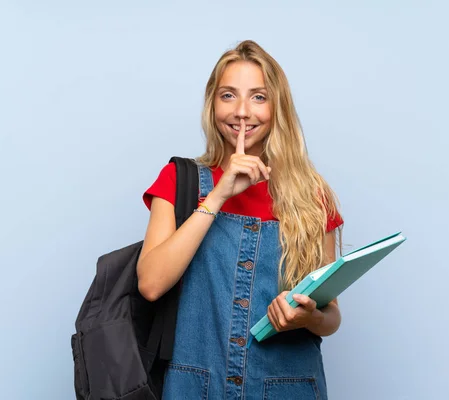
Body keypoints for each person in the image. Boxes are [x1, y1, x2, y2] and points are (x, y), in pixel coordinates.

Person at [137, 40, 344, 400]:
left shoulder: (313, 196)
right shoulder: (179, 180)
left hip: (288, 388)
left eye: (259, 97)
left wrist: (308, 318)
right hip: (194, 389)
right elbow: (151, 284)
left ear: (277, 106)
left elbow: (332, 318)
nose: (243, 111)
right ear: (212, 105)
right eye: (228, 95)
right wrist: (217, 196)